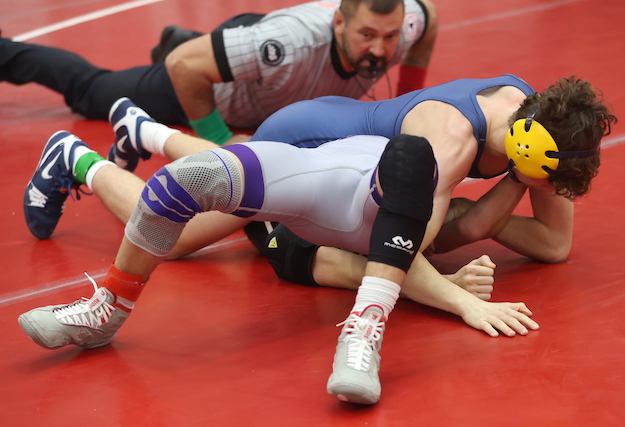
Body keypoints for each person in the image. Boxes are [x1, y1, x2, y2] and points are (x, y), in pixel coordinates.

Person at [18, 73, 615, 404]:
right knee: (176, 239)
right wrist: (461, 296)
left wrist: (513, 183)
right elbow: (397, 247)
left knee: (425, 217)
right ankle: (79, 158)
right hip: (310, 140)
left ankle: (143, 130)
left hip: (359, 161)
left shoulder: (536, 117)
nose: (552, 193)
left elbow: (553, 244)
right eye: (548, 180)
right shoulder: (449, 143)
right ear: (532, 150)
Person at [0, 0, 436, 146]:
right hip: (211, 89)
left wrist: (404, 101)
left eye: (389, 37)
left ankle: (194, 40)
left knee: (228, 54)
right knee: (89, 91)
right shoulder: (290, 44)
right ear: (339, 22)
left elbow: (429, 17)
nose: (379, 50)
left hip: (264, 72)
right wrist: (219, 140)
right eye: (366, 35)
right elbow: (185, 67)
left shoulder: (406, 25)